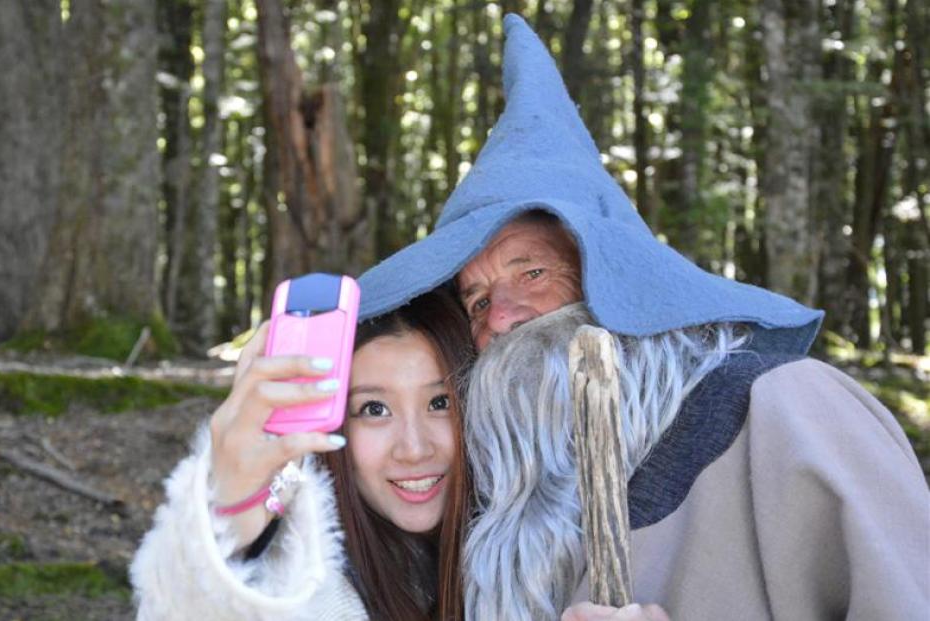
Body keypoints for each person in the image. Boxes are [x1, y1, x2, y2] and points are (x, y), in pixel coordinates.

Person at [355, 14, 930, 621]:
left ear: (614, 276)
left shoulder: (786, 409)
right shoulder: (487, 526)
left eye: (533, 273)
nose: (501, 316)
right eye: (475, 301)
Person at [130, 290, 474, 620]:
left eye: (440, 403)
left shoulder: (512, 552)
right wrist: (227, 525)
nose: (414, 449)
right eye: (374, 409)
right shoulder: (314, 590)